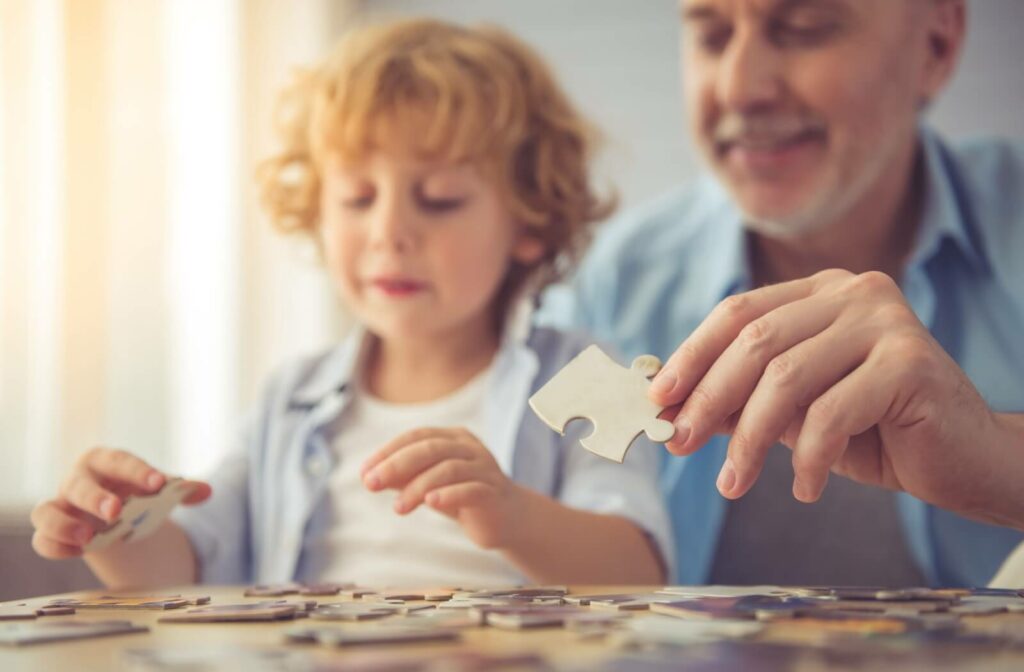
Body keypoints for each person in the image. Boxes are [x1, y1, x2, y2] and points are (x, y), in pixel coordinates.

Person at [29, 18, 672, 588]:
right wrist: (111, 529)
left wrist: (514, 514)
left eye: (441, 198)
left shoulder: (586, 377)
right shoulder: (290, 398)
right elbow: (190, 564)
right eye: (358, 198)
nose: (389, 231)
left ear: (530, 220)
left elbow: (640, 572)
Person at [545, 0, 1024, 586]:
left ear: (936, 46)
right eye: (712, 36)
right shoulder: (619, 275)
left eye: (806, 29)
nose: (740, 89)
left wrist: (998, 457)